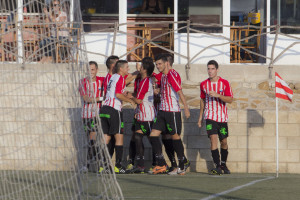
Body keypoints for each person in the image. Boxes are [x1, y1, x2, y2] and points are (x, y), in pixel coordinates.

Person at [149, 54, 190, 175]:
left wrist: (186, 108)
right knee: (153, 135)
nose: (157, 66)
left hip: (172, 111)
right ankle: (161, 163)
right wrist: (157, 90)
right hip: (162, 111)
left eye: (159, 64)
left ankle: (182, 165)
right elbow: (165, 90)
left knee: (175, 136)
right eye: (156, 64)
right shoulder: (163, 76)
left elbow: (179, 91)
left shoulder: (172, 74)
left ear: (167, 63)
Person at [197, 60, 233, 175]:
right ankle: (217, 166)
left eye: (212, 69)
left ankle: (223, 164)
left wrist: (218, 95)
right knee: (213, 139)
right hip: (210, 116)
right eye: (208, 69)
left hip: (222, 117)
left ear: (217, 70)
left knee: (224, 141)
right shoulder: (203, 84)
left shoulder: (225, 83)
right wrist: (200, 117)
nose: (210, 71)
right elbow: (202, 100)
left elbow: (230, 99)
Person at [100, 60, 135, 174]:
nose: (128, 69)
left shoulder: (112, 77)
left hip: (104, 109)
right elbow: (118, 94)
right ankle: (118, 166)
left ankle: (103, 166)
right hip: (114, 110)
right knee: (119, 137)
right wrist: (131, 101)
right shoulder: (119, 78)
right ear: (121, 69)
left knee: (106, 138)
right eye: (127, 67)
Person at [127, 57, 155, 173]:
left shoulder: (146, 81)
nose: (139, 67)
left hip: (147, 115)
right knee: (137, 137)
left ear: (144, 69)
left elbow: (138, 100)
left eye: (141, 66)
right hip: (140, 114)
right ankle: (140, 165)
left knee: (152, 139)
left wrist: (130, 97)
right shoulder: (141, 80)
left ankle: (158, 162)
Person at [78, 61, 104, 172]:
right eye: (89, 70)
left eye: (92, 69)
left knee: (92, 139)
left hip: (97, 115)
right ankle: (94, 162)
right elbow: (86, 99)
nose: (90, 72)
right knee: (90, 141)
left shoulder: (102, 81)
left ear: (96, 70)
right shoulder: (83, 82)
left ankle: (88, 165)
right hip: (86, 115)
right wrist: (102, 98)